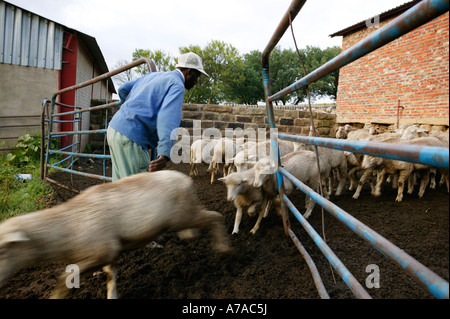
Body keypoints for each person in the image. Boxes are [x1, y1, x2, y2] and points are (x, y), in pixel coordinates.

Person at [107, 52, 209, 181]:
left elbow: (123, 89)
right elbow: (168, 118)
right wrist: (164, 154)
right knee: (139, 194)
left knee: (120, 189)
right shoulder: (177, 85)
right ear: (189, 72)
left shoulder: (152, 76)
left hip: (114, 129)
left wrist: (130, 112)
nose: (196, 81)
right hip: (131, 139)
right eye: (197, 75)